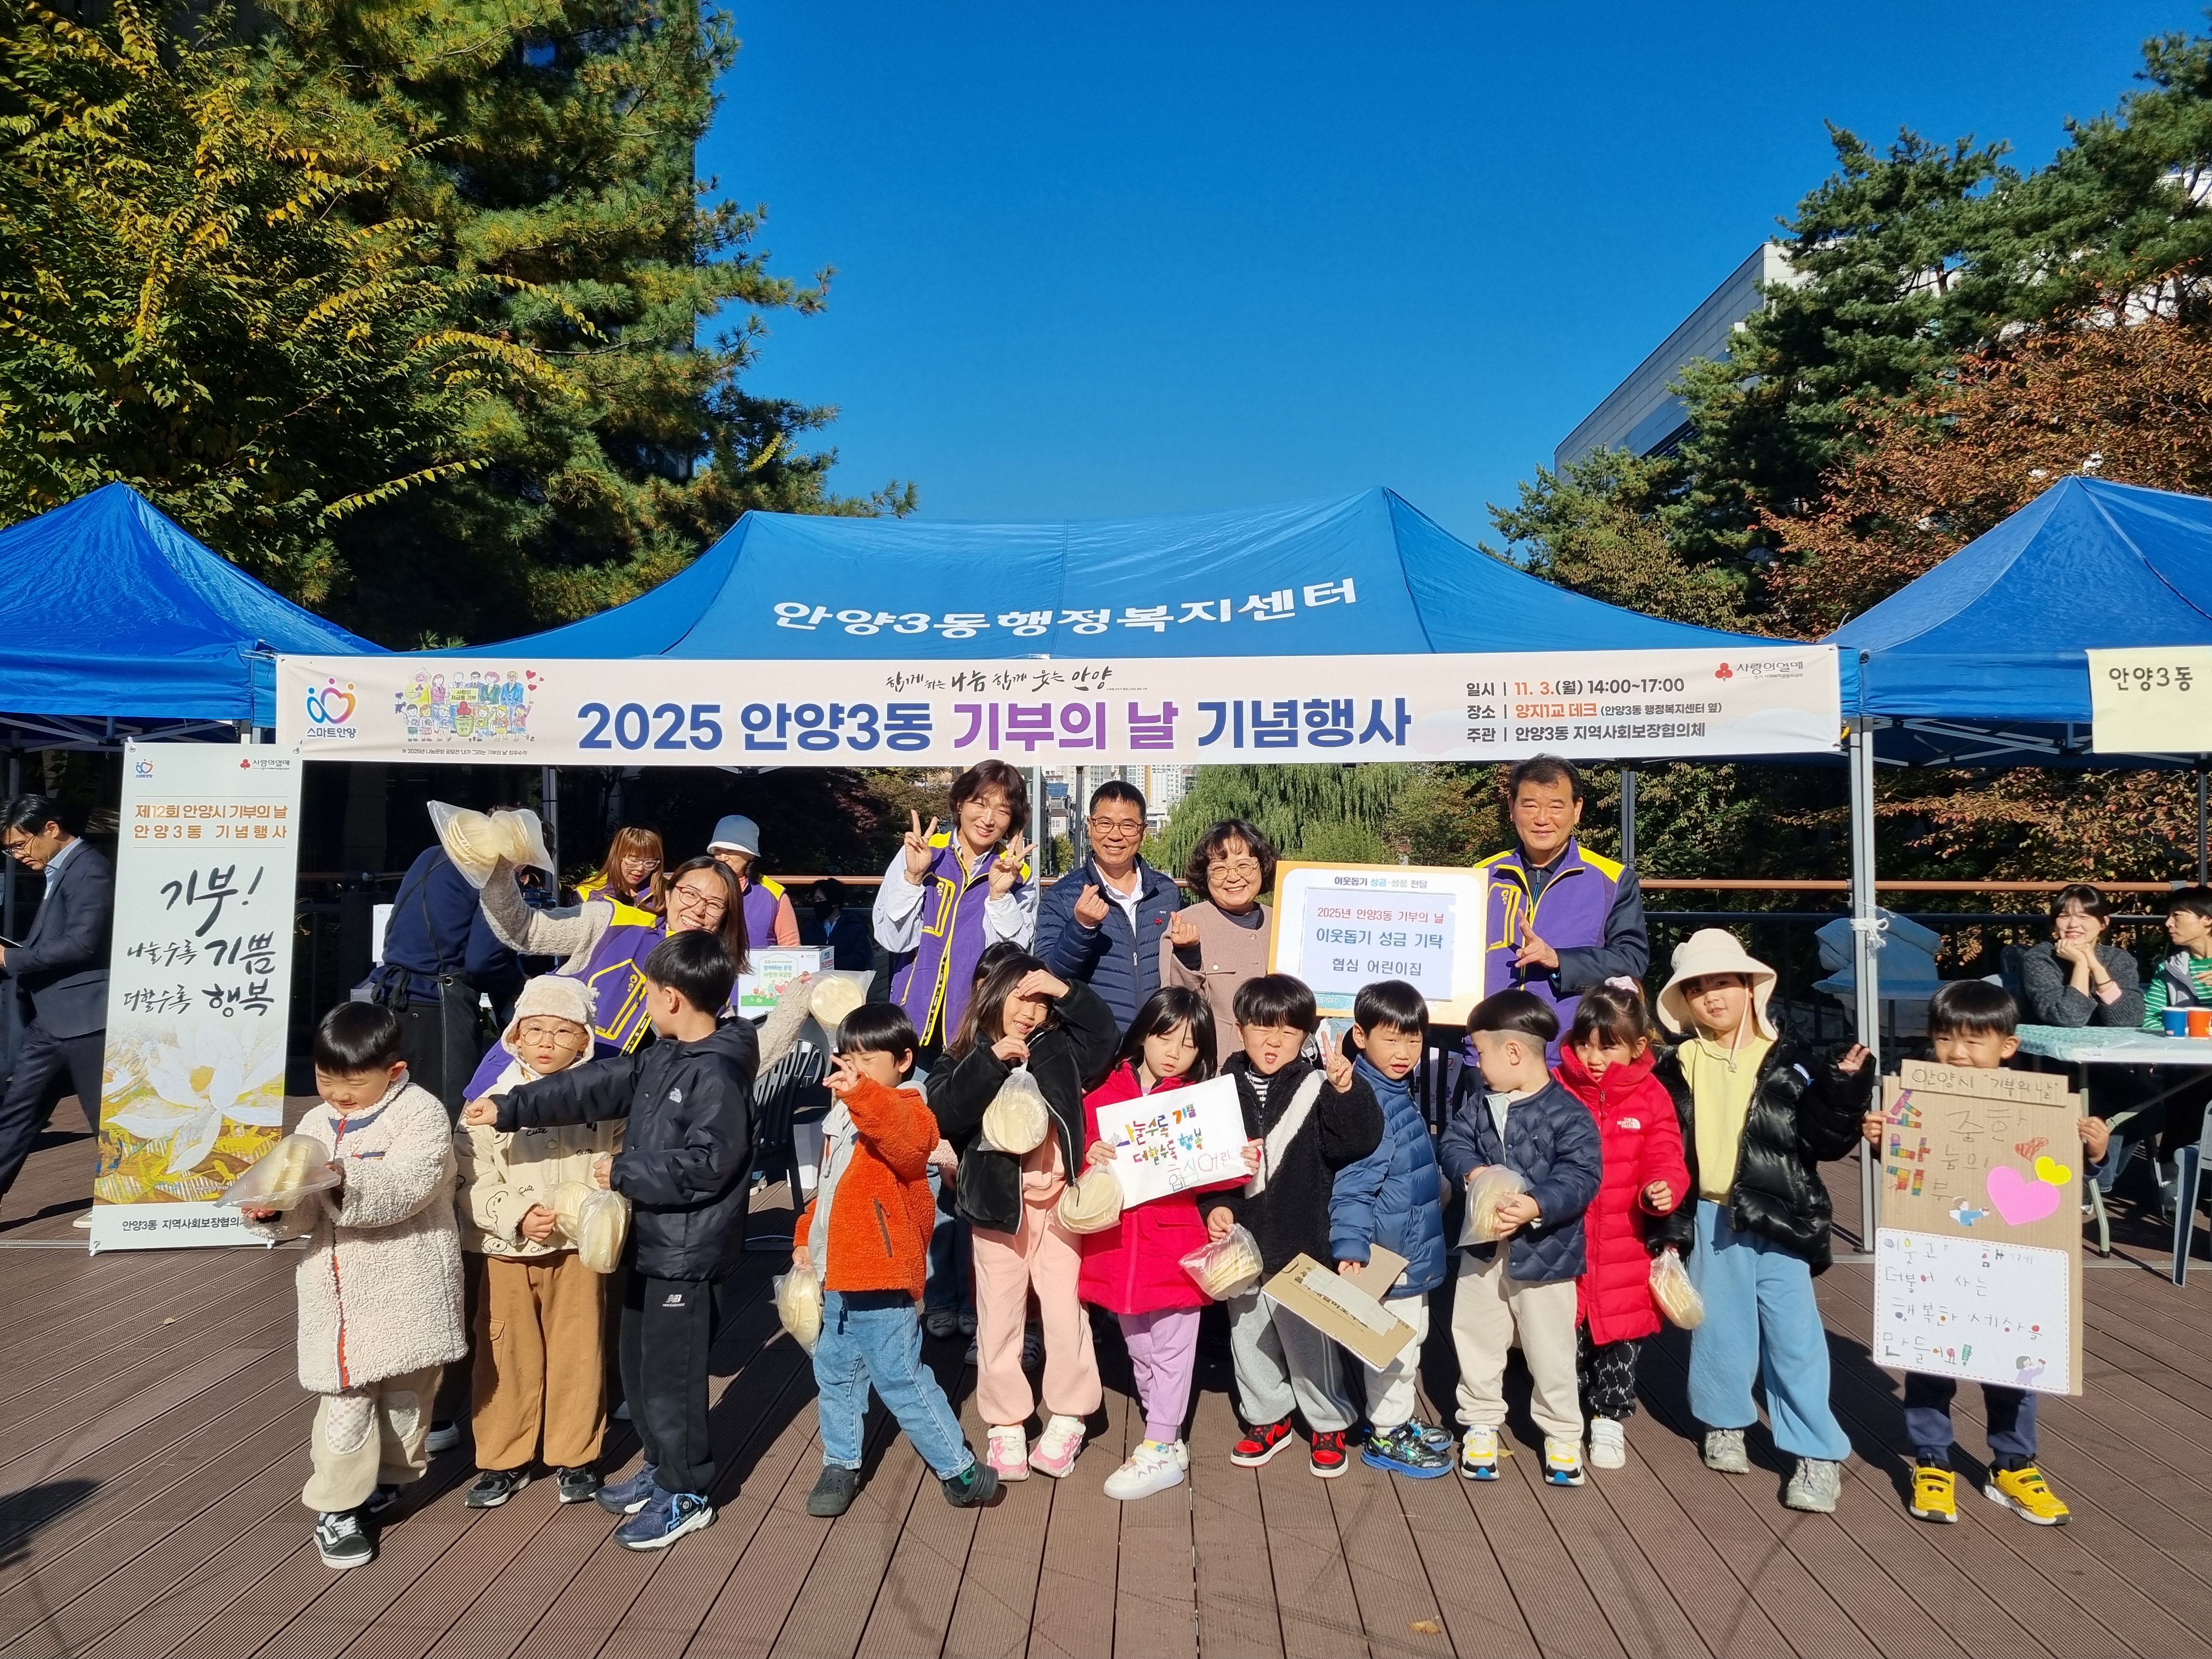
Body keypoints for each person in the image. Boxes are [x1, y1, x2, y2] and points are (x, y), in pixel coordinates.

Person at [470, 931, 757, 1551]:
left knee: (675, 1377)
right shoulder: (663, 1054)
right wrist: (511, 1108)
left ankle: (688, 1491)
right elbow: (592, 1087)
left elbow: (712, 1164)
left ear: (673, 998)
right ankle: (659, 1466)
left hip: (686, 1253)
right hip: (648, 1243)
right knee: (641, 1364)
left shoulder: (717, 1071)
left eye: (649, 992)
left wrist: (623, 1172)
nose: (644, 1001)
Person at [1858, 980, 2105, 1527]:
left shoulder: (2039, 1104)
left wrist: (2092, 1152)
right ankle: (1932, 1460)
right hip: (1938, 1253)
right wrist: (1882, 1143)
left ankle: (2014, 1464)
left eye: (1973, 1042)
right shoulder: (1915, 1097)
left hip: (2014, 1261)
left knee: (2014, 1364)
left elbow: (2059, 1179)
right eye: (1945, 1039)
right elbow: (1907, 1176)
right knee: (1929, 1359)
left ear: (2007, 1048)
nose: (1957, 1053)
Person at [1647, 928, 1872, 1514]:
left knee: (1795, 1339)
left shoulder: (1792, 1060)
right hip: (1711, 1214)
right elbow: (1665, 1145)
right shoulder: (1678, 1064)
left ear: (1751, 988)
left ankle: (1817, 1454)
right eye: (1696, 988)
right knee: (1720, 1331)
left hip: (1781, 1215)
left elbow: (1824, 1141)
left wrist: (1844, 1093)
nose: (1711, 997)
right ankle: (1724, 1422)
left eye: (1723, 982)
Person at [239, 1003, 467, 1571]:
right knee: (345, 1400)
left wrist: (345, 1176)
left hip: (408, 1277)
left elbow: (410, 1186)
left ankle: (387, 1479)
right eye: (325, 1079)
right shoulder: (314, 1124)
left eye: (353, 1081)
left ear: (394, 1070)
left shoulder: (422, 1114)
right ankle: (336, 1507)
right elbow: (302, 1206)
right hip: (338, 1286)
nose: (337, 1094)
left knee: (405, 1397)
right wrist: (276, 1211)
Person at [797, 1002, 999, 1517]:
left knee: (899, 1376)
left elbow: (905, 1146)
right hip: (836, 1270)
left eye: (871, 1058)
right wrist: (805, 1238)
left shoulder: (912, 1107)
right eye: (849, 1056)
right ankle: (840, 1461)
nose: (858, 1067)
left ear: (904, 1060)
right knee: (835, 1371)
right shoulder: (842, 1114)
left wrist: (860, 1093)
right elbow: (827, 1188)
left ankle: (960, 1470)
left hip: (882, 1271)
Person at [926, 956, 1119, 1482]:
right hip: (996, 1213)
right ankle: (1006, 1422)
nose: (1031, 1012)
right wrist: (990, 1062)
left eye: (1041, 1001)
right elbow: (944, 1112)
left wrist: (1068, 990)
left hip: (1060, 1208)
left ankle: (1070, 1414)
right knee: (1000, 1315)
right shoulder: (963, 1052)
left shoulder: (1059, 1047)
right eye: (1021, 997)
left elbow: (1106, 1041)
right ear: (994, 996)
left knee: (1063, 1312)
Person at [1205, 973, 1383, 1479]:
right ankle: (1267, 1416)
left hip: (1304, 1238)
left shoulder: (1318, 1083)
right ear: (1239, 1029)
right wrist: (1216, 1205)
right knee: (1247, 1332)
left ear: (1306, 1035)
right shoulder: (1219, 1090)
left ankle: (1329, 1419)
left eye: (1288, 1030)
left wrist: (1347, 1090)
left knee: (1310, 1337)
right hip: (1239, 1243)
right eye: (1262, 1027)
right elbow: (1203, 1168)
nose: (1273, 1040)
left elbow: (1357, 1142)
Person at [454, 975, 619, 1510]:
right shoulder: (488, 1100)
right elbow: (471, 1177)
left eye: (563, 1031)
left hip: (578, 1249)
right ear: (515, 1036)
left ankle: (577, 1454)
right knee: (505, 1353)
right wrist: (517, 1215)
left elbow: (622, 1157)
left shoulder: (605, 1098)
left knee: (580, 1350)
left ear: (585, 1040)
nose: (547, 1041)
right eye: (536, 1029)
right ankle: (503, 1459)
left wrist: (610, 1183)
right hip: (507, 1248)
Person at [1439, 990, 1603, 1487]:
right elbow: (1452, 1142)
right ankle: (1481, 1421)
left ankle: (1560, 1432)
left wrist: (1537, 1204)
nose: (1479, 1065)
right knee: (1476, 1334)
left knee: (1550, 1345)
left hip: (1546, 1254)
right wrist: (1472, 1172)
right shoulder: (1481, 1106)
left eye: (1482, 1053)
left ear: (1513, 1052)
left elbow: (1583, 1174)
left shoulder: (1569, 1113)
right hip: (1483, 1249)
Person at [1077, 986, 1225, 1500]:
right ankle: (1165, 1437)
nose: (1173, 1051)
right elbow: (1076, 1156)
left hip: (1174, 1245)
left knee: (1174, 1348)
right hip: (1118, 1248)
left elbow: (1213, 1175)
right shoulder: (1102, 1096)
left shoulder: (1197, 1103)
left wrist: (1240, 1160)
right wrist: (1088, 1154)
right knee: (1139, 1345)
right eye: (1165, 1036)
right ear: (1143, 1033)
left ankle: (1161, 1444)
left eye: (1188, 1045)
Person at [1552, 983, 1689, 1471]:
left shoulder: (1652, 1096)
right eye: (1586, 1043)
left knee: (1620, 1339)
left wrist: (1663, 1187)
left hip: (1627, 1240)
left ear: (1637, 1047)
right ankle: (1563, 1418)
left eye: (1607, 1046)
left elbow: (1667, 1153)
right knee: (1563, 1336)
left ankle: (1610, 1419)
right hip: (1567, 1238)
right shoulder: (1558, 1086)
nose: (1593, 1058)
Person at [1331, 980, 1453, 1478]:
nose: (1404, 1052)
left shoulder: (1392, 1092)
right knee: (1395, 1347)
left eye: (1414, 1039)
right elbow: (1354, 1187)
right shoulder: (1371, 1104)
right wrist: (1352, 1247)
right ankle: (1386, 1433)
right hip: (1388, 1257)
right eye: (1391, 1038)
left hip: (1409, 1252)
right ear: (1359, 1036)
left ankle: (1397, 1421)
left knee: (1410, 1338)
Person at [1476, 756, 1649, 1052]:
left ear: (1577, 810)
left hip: (1569, 1054)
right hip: (1486, 1051)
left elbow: (1632, 958)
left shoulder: (1614, 880)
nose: (1542, 818)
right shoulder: (1480, 877)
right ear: (1512, 808)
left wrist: (1559, 960)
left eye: (1556, 806)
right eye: (1530, 805)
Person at [874, 760, 1037, 1054]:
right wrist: (912, 878)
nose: (988, 819)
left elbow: (1013, 957)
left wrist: (1000, 895)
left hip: (978, 1028)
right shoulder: (922, 852)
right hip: (910, 1021)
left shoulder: (1019, 874)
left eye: (1002, 811)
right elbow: (892, 940)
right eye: (980, 804)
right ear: (960, 803)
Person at [0, 794, 114, 1211]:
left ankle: (124, 1205)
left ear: (51, 828)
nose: (17, 856)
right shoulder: (59, 870)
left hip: (87, 1016)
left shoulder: (89, 869)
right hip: (50, 1018)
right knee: (16, 1113)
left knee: (105, 1119)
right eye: (10, 849)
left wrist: (11, 958)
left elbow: (83, 944)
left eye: (20, 844)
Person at [371, 837, 525, 1115]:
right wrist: (519, 984)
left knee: (393, 1108)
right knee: (444, 1113)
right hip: (439, 1001)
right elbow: (484, 961)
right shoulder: (493, 875)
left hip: (392, 995)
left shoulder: (431, 855)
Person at [1036, 781, 1182, 1029]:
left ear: (1143, 831)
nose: (1115, 835)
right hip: (1095, 1043)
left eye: (1128, 825)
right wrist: (1082, 926)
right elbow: (1049, 974)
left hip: (1156, 1041)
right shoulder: (1061, 896)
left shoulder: (1167, 892)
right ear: (1090, 825)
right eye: (1105, 823)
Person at [1161, 819, 1277, 1064]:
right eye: (1220, 869)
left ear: (1262, 867)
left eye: (1244, 866)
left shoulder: (1283, 921)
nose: (1233, 878)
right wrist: (1187, 954)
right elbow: (1179, 1007)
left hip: (1286, 1065)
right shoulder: (1187, 923)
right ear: (1206, 876)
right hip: (1220, 1070)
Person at [2141, 885, 2212, 1187]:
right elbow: (2151, 1018)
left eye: (2177, 915)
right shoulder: (2170, 968)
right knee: (2184, 1087)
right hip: (2188, 1062)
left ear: (2207, 920)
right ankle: (2177, 1174)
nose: (2168, 923)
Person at [2017, 884, 2143, 1030]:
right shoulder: (2039, 959)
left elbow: (2129, 1020)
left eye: (2084, 917)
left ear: (2104, 923)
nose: (2073, 924)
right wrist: (2081, 963)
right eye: (2064, 916)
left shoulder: (2119, 959)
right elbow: (2069, 1017)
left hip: (2109, 1048)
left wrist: (2097, 968)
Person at [708, 815, 801, 948]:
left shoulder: (775, 894)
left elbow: (791, 946)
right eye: (718, 851)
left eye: (730, 851)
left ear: (751, 854)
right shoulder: (702, 886)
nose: (723, 858)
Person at [574, 827, 666, 916]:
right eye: (634, 861)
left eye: (649, 862)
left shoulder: (663, 895)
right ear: (617, 856)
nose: (640, 868)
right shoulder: (587, 894)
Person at [802, 878, 876, 971]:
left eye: (821, 899)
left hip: (846, 979)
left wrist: (829, 964)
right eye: (815, 900)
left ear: (835, 902)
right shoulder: (810, 928)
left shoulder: (855, 927)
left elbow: (859, 959)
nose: (817, 904)